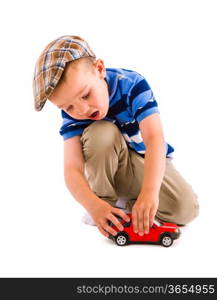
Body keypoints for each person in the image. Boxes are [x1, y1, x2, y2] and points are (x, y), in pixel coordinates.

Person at [33, 35, 199, 238]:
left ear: (100, 69)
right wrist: (94, 206)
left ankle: (129, 203)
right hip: (109, 167)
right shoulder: (73, 114)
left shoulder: (130, 84)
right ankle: (106, 204)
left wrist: (149, 192)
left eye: (86, 95)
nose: (82, 109)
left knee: (186, 209)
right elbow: (72, 168)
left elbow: (155, 138)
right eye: (68, 107)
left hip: (147, 161)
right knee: (100, 132)